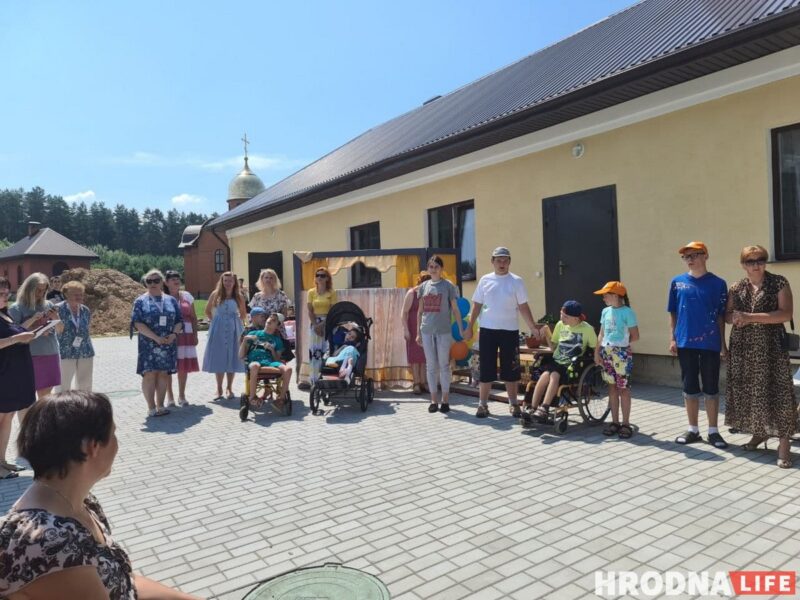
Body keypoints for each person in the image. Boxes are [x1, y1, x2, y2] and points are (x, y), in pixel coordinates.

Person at [0, 391, 202, 599]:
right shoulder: (48, 541)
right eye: (113, 434)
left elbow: (124, 583)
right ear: (92, 447)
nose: (117, 444)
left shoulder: (79, 502)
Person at [725, 245, 796, 468]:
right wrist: (734, 318)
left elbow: (786, 313)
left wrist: (750, 317)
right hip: (743, 348)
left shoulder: (779, 282)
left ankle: (784, 445)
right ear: (743, 265)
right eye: (750, 261)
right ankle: (760, 433)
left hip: (771, 348)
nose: (756, 264)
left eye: (760, 260)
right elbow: (726, 315)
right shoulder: (736, 287)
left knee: (779, 393)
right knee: (751, 393)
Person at [464, 247, 537, 418]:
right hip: (488, 330)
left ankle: (514, 405)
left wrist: (533, 327)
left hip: (509, 331)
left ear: (510, 262)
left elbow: (523, 306)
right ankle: (482, 405)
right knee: (486, 369)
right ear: (493, 262)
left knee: (510, 370)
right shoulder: (485, 280)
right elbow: (476, 305)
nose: (502, 263)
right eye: (498, 260)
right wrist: (469, 327)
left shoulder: (516, 281)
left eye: (505, 260)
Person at [668, 241, 729, 449]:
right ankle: (693, 429)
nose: (690, 259)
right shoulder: (677, 282)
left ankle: (713, 431)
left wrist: (723, 345)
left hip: (710, 343)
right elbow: (673, 313)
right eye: (686, 256)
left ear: (705, 256)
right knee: (689, 386)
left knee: (711, 387)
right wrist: (673, 338)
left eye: (695, 254)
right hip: (685, 342)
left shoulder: (718, 283)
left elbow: (721, 316)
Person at [528, 301, 598, 423]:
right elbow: (554, 348)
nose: (561, 318)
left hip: (572, 365)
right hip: (557, 361)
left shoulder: (587, 329)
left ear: (576, 318)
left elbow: (595, 346)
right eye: (561, 314)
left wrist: (598, 358)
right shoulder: (560, 325)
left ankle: (544, 408)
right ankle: (532, 408)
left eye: (565, 316)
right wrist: (547, 334)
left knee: (554, 375)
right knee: (544, 376)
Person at [130, 269, 182, 418]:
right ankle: (151, 407)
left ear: (162, 282)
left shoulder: (171, 300)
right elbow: (138, 324)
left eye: (156, 281)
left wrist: (173, 334)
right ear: (146, 283)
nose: (152, 284)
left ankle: (161, 406)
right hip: (148, 344)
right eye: (149, 281)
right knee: (150, 375)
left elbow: (179, 321)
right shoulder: (140, 301)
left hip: (168, 343)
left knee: (163, 374)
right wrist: (155, 338)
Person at [416, 256, 462, 414]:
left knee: (443, 365)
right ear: (428, 269)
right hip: (426, 331)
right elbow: (420, 311)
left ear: (441, 269)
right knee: (430, 366)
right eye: (431, 266)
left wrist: (461, 328)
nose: (433, 269)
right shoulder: (423, 286)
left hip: (444, 331)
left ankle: (445, 401)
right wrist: (418, 333)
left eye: (436, 266)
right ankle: (433, 400)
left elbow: (455, 309)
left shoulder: (448, 286)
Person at [0, 276, 35, 480]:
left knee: (7, 419)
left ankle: (2, 461)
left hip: (13, 375)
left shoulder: (6, 315)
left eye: (7, 293)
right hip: (3, 375)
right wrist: (16, 339)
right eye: (1, 294)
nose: (6, 297)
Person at [593, 282, 639, 439]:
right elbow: (601, 334)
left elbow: (635, 335)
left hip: (621, 354)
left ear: (616, 296)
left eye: (606, 295)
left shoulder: (628, 312)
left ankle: (626, 424)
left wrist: (622, 345)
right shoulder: (605, 311)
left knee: (623, 388)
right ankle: (615, 422)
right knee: (612, 388)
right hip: (606, 352)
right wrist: (597, 352)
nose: (604, 298)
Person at [9, 273, 63, 403]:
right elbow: (13, 333)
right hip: (30, 355)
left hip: (50, 352)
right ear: (29, 288)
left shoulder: (49, 304)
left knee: (46, 399)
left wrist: (56, 319)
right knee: (27, 399)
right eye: (38, 290)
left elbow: (60, 330)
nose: (41, 293)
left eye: (44, 290)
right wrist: (33, 321)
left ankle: (42, 422)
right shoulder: (17, 308)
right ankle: (28, 423)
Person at [203, 271, 247, 400]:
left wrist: (237, 321)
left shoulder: (238, 296)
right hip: (219, 328)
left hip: (234, 328)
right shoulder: (215, 294)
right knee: (219, 356)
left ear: (235, 283)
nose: (228, 283)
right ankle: (219, 388)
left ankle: (229, 388)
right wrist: (216, 321)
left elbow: (244, 313)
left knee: (233, 356)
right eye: (226, 280)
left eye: (231, 281)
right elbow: (207, 311)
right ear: (222, 281)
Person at [239, 310, 292, 409]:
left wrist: (272, 350)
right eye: (270, 318)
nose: (270, 320)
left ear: (277, 325)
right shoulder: (254, 333)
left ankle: (280, 399)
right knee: (255, 366)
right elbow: (241, 355)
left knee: (288, 369)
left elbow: (277, 359)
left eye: (274, 320)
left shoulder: (277, 340)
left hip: (270, 362)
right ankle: (252, 397)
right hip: (255, 361)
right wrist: (245, 340)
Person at [164, 271, 199, 408]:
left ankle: (182, 395)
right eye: (172, 279)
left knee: (183, 367)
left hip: (187, 335)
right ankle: (170, 397)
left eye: (177, 278)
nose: (176, 281)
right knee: (169, 367)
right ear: (166, 282)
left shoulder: (187, 296)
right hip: (170, 335)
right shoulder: (162, 298)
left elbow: (194, 317)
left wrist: (195, 335)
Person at [56, 280, 95, 391]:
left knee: (85, 385)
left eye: (81, 294)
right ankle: (61, 408)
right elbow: (57, 330)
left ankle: (84, 407)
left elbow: (86, 329)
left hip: (85, 350)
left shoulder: (85, 310)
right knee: (63, 385)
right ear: (66, 295)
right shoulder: (57, 309)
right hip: (65, 351)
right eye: (76, 294)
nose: (79, 297)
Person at [307, 267, 338, 384]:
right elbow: (310, 311)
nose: (319, 277)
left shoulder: (332, 293)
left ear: (327, 278)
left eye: (322, 275)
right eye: (317, 275)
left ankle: (328, 380)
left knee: (327, 350)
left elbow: (332, 310)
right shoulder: (311, 292)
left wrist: (322, 324)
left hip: (328, 322)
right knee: (315, 352)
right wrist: (316, 325)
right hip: (315, 322)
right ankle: (315, 381)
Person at [401, 272, 431, 394]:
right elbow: (403, 313)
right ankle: (416, 383)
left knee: (424, 357)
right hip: (413, 329)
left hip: (427, 328)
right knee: (414, 358)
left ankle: (424, 382)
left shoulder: (429, 294)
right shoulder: (411, 293)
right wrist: (406, 329)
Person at [250, 268, 294, 338]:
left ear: (275, 280)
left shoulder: (281, 295)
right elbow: (253, 314)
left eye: (271, 278)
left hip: (277, 330)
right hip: (261, 331)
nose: (268, 280)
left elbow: (284, 314)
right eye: (266, 277)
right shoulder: (256, 296)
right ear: (262, 280)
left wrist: (275, 325)